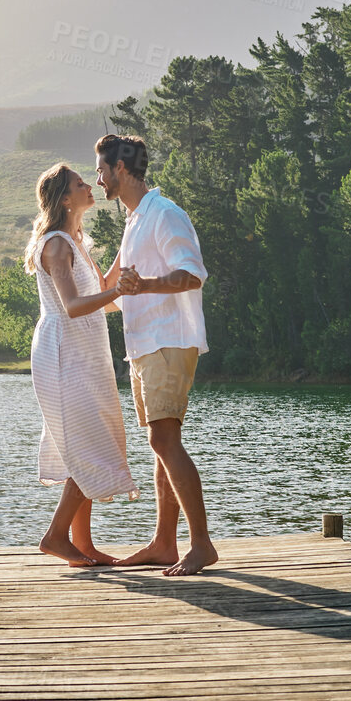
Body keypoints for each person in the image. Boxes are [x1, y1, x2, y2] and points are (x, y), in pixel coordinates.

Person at [94, 134, 218, 577]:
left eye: (102, 170)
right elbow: (110, 293)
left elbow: (192, 275)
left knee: (164, 440)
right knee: (159, 443)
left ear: (121, 169)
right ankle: (165, 543)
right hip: (143, 345)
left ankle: (201, 545)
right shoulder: (133, 222)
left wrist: (144, 285)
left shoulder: (164, 214)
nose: (99, 177)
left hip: (170, 339)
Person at [24, 162, 138, 567]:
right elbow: (73, 307)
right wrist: (115, 293)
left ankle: (82, 546)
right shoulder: (55, 244)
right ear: (65, 198)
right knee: (87, 445)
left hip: (83, 352)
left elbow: (103, 289)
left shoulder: (74, 241)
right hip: (63, 352)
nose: (89, 185)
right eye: (79, 182)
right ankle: (56, 536)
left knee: (87, 441)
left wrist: (129, 241)